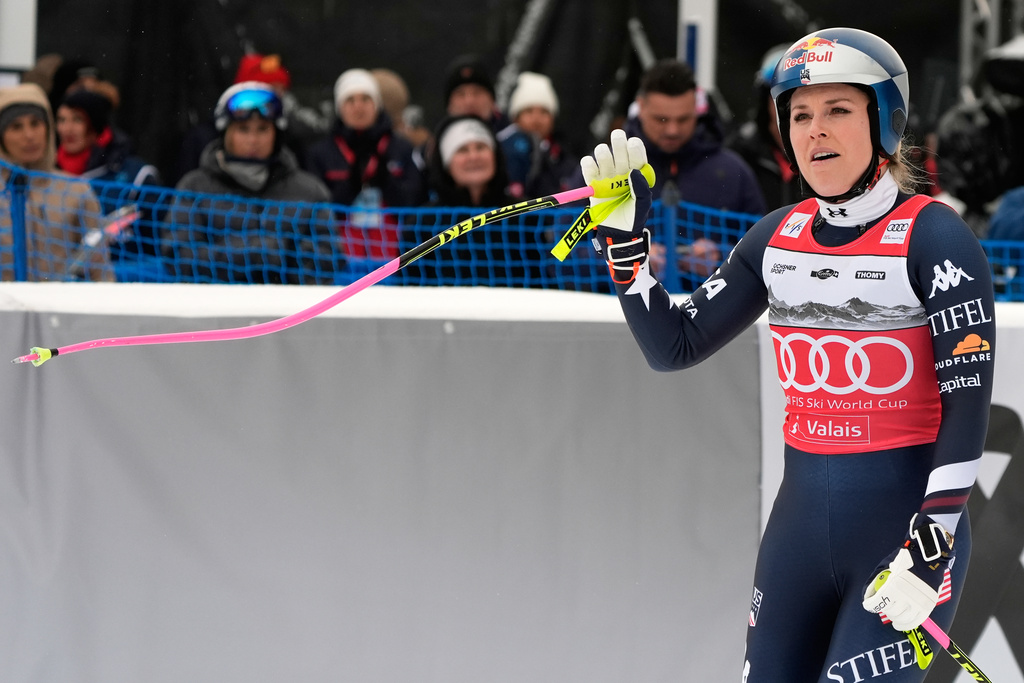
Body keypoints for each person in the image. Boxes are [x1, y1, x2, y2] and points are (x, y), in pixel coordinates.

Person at [581, 28, 994, 682]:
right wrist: (626, 254)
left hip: (907, 538)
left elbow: (968, 409)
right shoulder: (776, 237)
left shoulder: (935, 237)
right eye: (800, 114)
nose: (815, 129)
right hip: (797, 537)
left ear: (885, 120)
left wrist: (932, 541)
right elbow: (673, 345)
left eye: (838, 109)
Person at [163, 82, 340, 284]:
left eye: (263, 129)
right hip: (216, 300)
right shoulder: (194, 187)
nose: (253, 140)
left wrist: (285, 251)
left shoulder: (309, 190)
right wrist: (248, 253)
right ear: (226, 132)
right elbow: (178, 257)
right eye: (243, 129)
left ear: (276, 133)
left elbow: (331, 258)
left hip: (290, 302)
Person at [625, 58, 766, 288]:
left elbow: (767, 251)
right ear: (640, 107)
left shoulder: (733, 171)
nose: (672, 130)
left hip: (716, 307)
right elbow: (566, 251)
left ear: (697, 109)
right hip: (615, 307)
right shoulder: (608, 168)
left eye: (683, 119)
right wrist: (629, 259)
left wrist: (721, 259)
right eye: (661, 119)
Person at [304, 68, 424, 259]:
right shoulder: (321, 152)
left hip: (394, 255)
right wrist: (350, 186)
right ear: (340, 108)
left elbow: (414, 202)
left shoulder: (400, 147)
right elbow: (316, 212)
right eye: (350, 100)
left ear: (377, 104)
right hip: (338, 256)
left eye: (365, 99)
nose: (358, 107)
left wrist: (387, 181)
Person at [0, 83, 113, 282]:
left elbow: (100, 270)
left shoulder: (75, 190)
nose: (29, 135)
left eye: (36, 123)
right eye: (16, 127)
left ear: (48, 128)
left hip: (59, 301)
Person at [402, 114, 519, 285]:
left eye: (481, 147)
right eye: (462, 150)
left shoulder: (524, 214)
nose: (474, 156)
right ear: (447, 163)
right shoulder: (422, 223)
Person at [55, 88, 164, 259]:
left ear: (95, 125)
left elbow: (158, 246)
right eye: (61, 120)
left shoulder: (137, 176)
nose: (67, 129)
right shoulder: (46, 174)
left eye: (77, 119)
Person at [728, 44, 803, 209]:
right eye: (781, 95)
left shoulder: (828, 150)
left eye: (803, 95)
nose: (793, 106)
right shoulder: (740, 152)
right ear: (765, 100)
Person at [497, 71, 578, 200]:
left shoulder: (565, 160)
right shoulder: (499, 153)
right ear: (515, 118)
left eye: (544, 112)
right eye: (529, 111)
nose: (536, 119)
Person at [442, 55, 509, 134]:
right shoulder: (439, 140)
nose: (469, 101)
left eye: (477, 92)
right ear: (449, 105)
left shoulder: (513, 139)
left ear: (492, 100)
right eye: (461, 94)